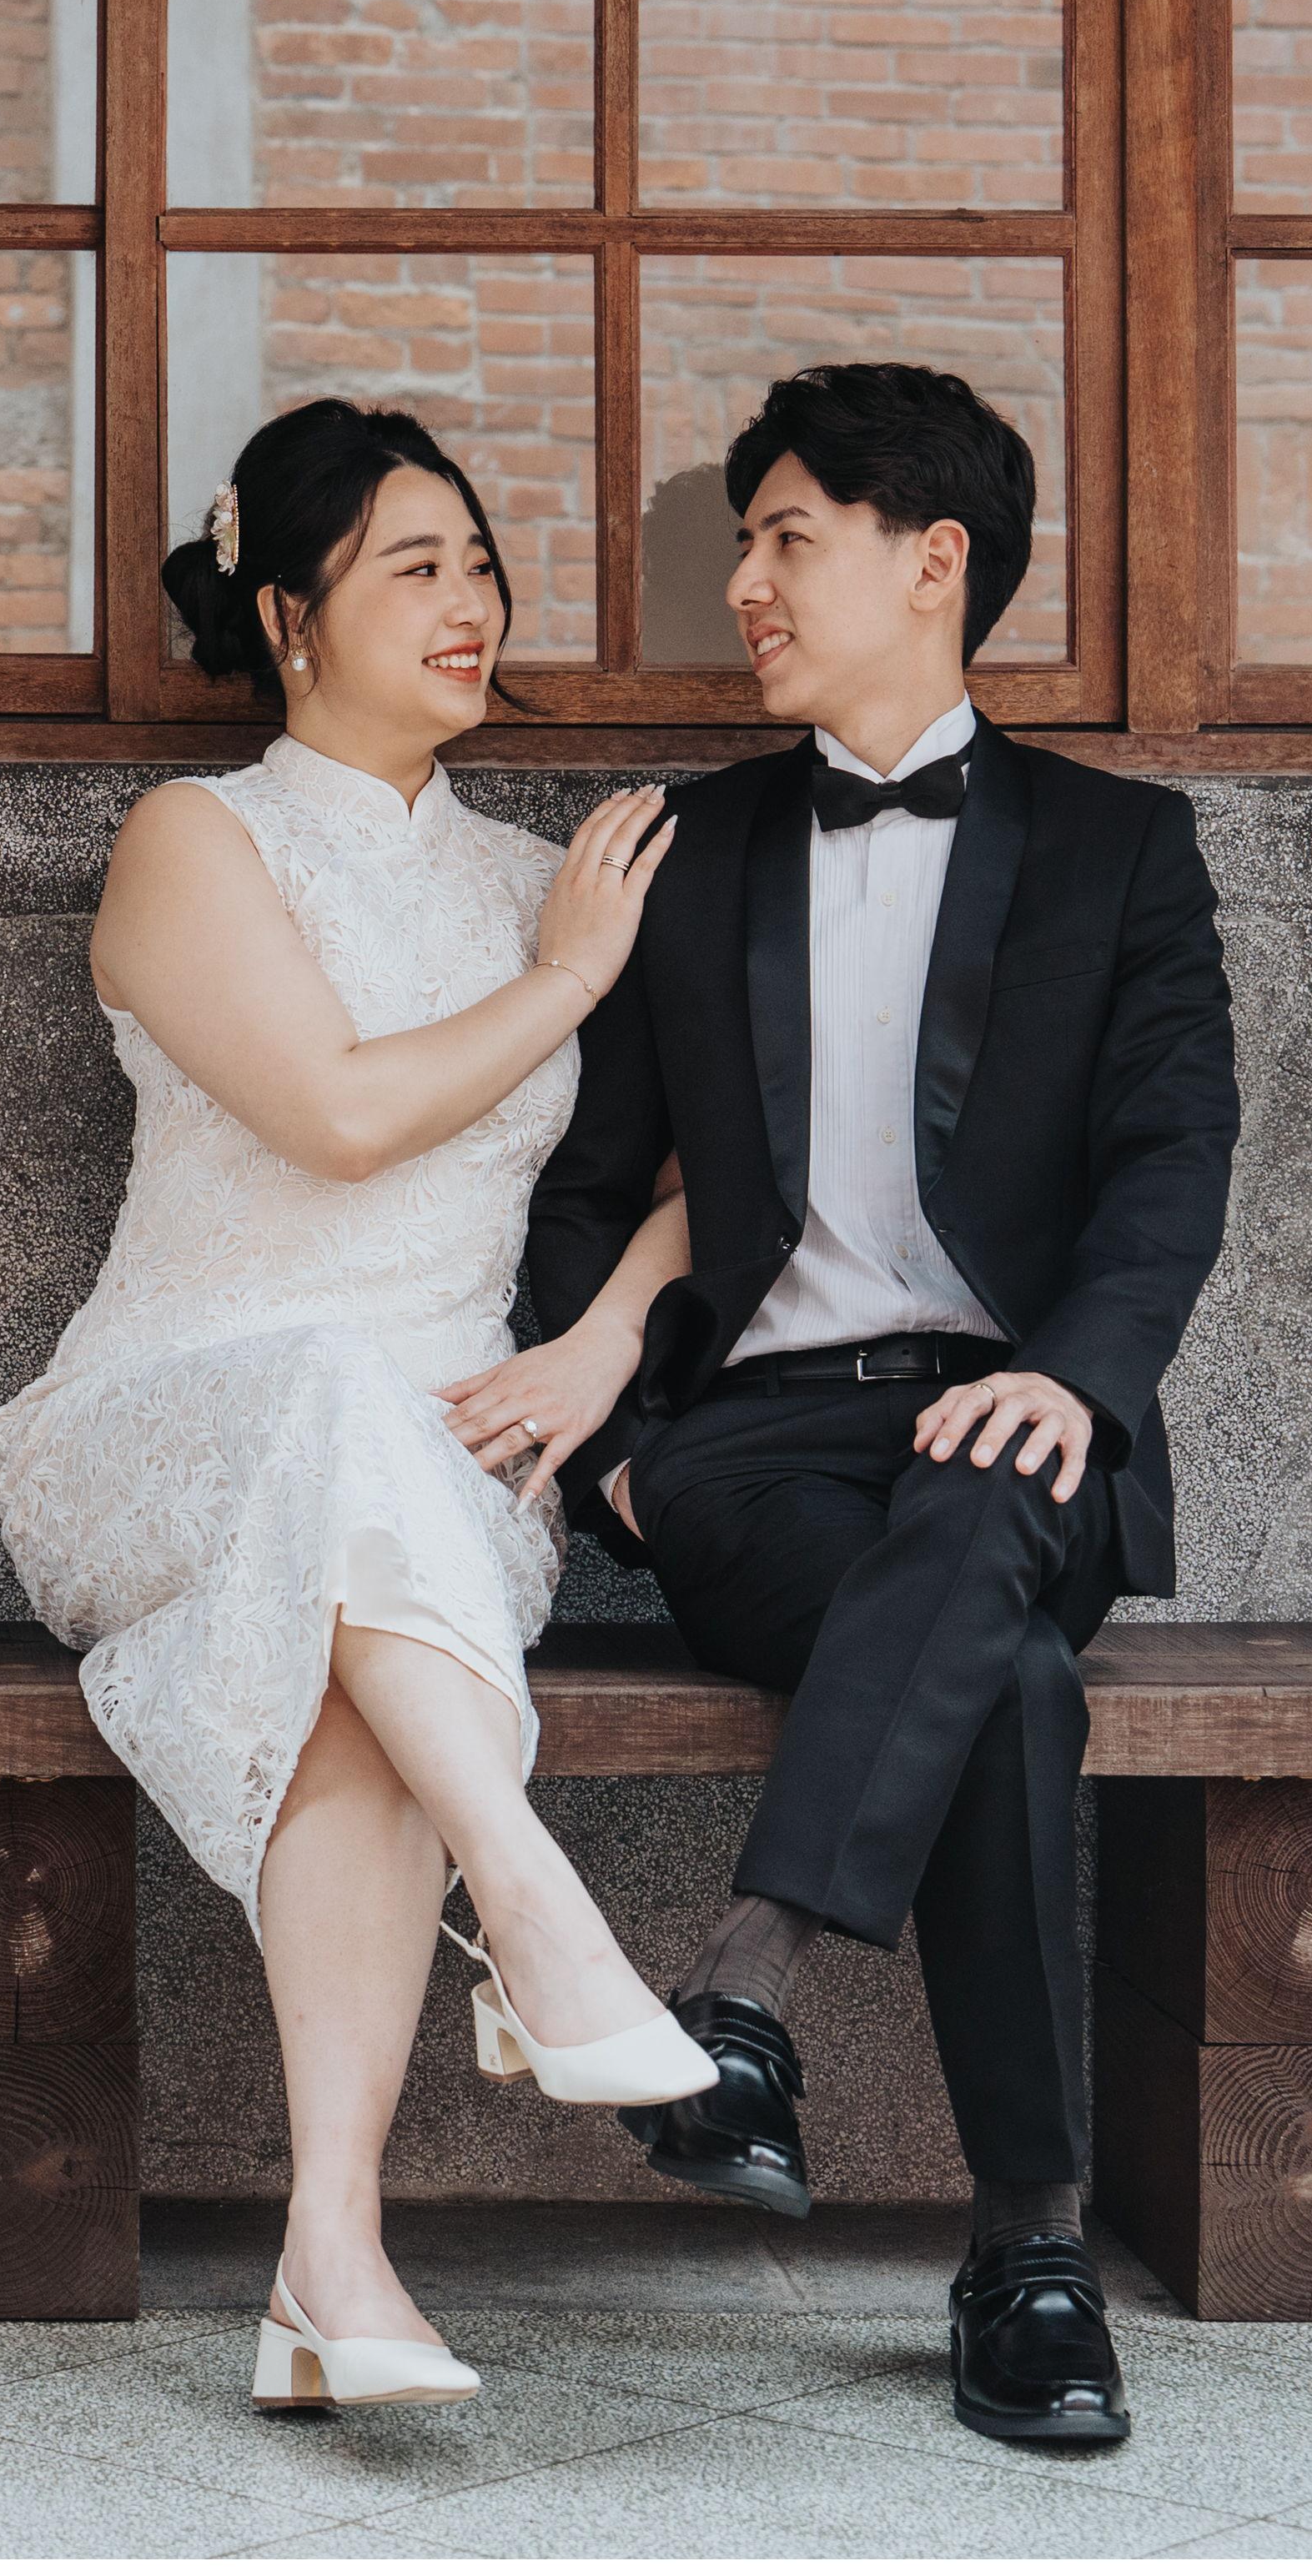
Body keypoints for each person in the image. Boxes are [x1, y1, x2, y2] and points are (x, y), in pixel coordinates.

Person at [498, 362, 1242, 2452]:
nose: (744, 582)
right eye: (746, 541)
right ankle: (1031, 2256)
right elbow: (588, 1181)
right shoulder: (697, 850)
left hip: (1023, 1419)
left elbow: (1174, 1151)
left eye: (786, 538)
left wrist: (1076, 1373)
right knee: (996, 1667)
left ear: (934, 564)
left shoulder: (1120, 849)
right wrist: (624, 1455)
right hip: (753, 1445)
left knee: (989, 1532)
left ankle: (745, 1986)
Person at [0, 397, 717, 2416]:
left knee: (362, 1645)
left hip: (451, 1459)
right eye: (417, 568)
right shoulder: (197, 839)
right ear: (289, 617)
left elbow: (715, 1174)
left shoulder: (549, 883)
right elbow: (331, 1115)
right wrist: (568, 983)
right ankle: (539, 1914)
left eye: (482, 564)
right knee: (332, 1414)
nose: (472, 602)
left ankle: (332, 2261)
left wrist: (607, 1342)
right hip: (159, 1434)